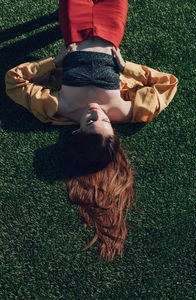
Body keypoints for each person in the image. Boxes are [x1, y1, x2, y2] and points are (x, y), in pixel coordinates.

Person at [5, 0, 178, 261]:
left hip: (75, 30)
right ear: (113, 130)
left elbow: (14, 81)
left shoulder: (60, 109)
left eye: (89, 120)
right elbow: (168, 84)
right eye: (105, 121)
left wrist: (55, 61)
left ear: (77, 132)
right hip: (110, 30)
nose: (96, 111)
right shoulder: (130, 111)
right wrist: (125, 67)